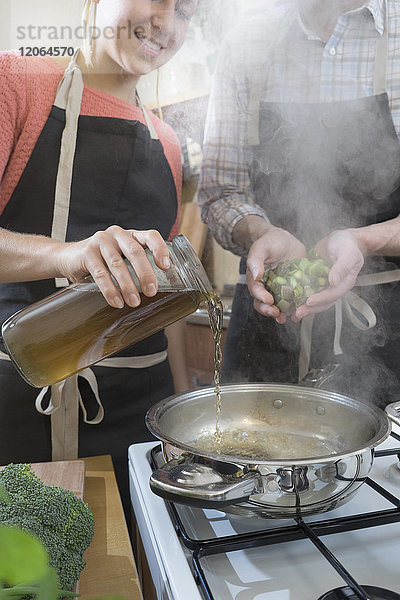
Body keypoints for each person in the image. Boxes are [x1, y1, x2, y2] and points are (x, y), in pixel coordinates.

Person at [0, 0, 198, 518]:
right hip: (19, 406)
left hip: (139, 420)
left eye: (186, 11)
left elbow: (168, 295)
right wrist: (67, 255)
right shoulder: (17, 82)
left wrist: (180, 412)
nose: (167, 22)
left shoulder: (169, 143)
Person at [199, 0, 400, 405]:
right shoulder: (247, 43)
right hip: (265, 323)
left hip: (387, 331)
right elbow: (222, 191)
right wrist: (260, 231)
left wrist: (364, 241)